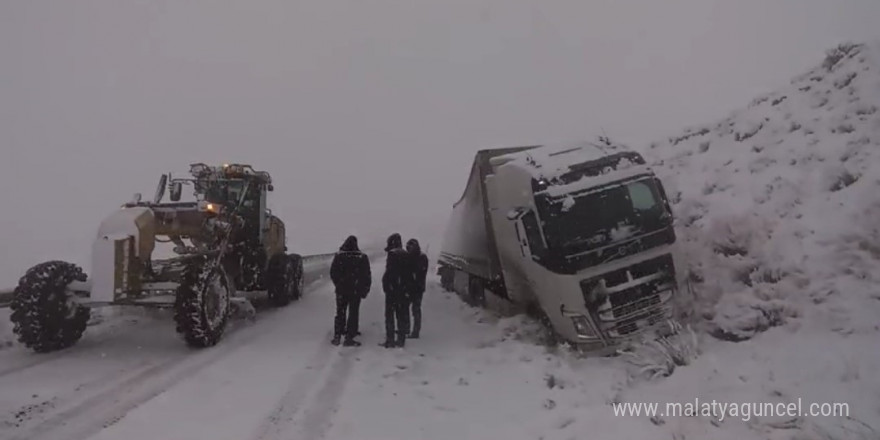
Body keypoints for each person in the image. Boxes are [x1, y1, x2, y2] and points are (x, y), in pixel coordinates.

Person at [329, 235, 371, 346]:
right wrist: (365, 288)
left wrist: (338, 284)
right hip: (355, 290)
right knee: (353, 312)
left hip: (341, 290)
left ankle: (337, 335)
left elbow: (333, 272)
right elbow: (366, 275)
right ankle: (350, 336)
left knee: (340, 312)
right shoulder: (361, 257)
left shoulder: (339, 256)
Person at [381, 233, 410, 348]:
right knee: (401, 314)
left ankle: (390, 339)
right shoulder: (406, 254)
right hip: (403, 290)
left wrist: (387, 287)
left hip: (393, 290)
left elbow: (389, 273)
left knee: (389, 315)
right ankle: (401, 339)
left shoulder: (392, 254)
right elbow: (409, 274)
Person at [405, 238, 429, 339]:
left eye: (409, 247)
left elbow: (419, 272)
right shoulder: (419, 257)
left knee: (415, 309)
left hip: (416, 288)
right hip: (414, 287)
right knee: (409, 309)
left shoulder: (421, 257)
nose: (408, 249)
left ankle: (415, 331)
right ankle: (408, 329)